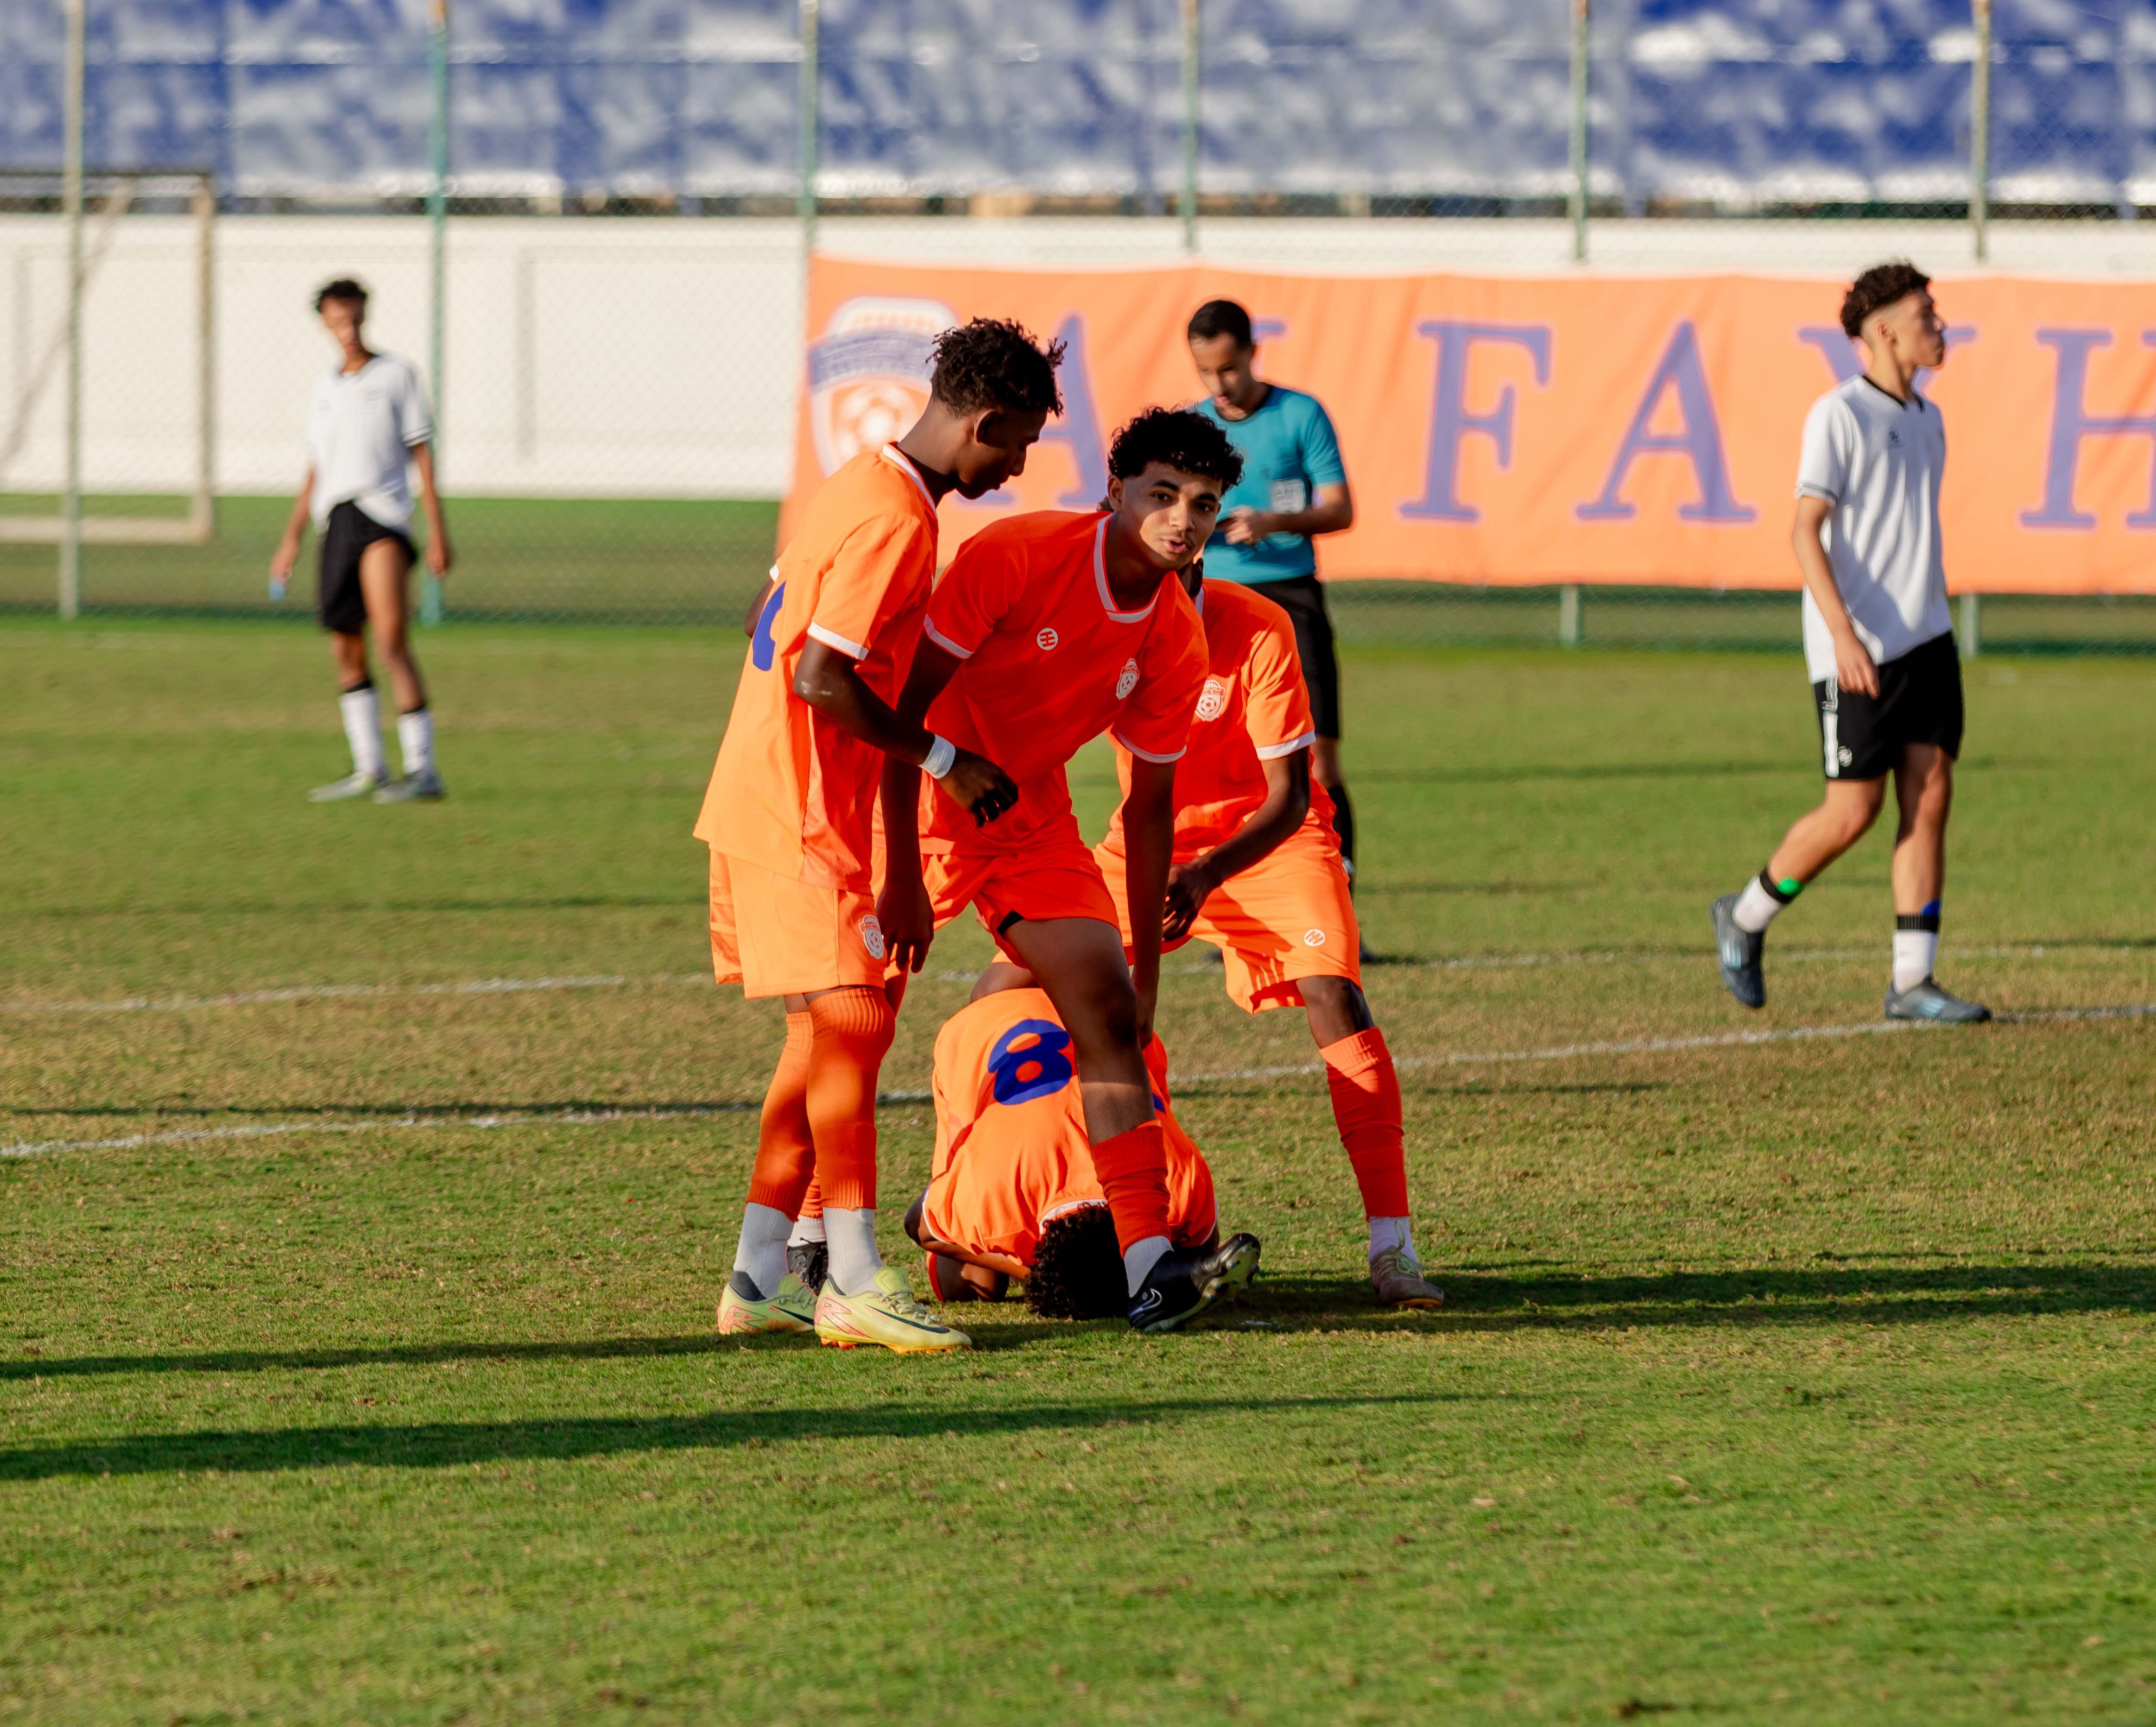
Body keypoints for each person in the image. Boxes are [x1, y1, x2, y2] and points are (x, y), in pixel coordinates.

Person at [701, 317, 1061, 1355]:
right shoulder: (899, 520)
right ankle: (854, 1279)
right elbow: (821, 677)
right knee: (855, 1021)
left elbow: (767, 618)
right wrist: (948, 760)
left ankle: (758, 1278)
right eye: (1018, 443)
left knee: (822, 1037)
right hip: (800, 810)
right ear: (982, 422)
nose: (1016, 467)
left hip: (773, 796)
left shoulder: (857, 482)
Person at [878, 406, 1256, 1334]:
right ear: (1114, 491)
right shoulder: (1019, 555)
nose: (1181, 519)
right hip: (919, 793)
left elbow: (1149, 809)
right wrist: (899, 874)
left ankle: (1149, 1266)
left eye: (1203, 504)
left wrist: (1146, 977)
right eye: (1162, 494)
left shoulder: (1174, 636)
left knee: (1109, 1017)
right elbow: (899, 711)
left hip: (1027, 816)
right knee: (850, 1023)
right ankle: (807, 1246)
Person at [1089, 560, 1442, 1309]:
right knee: (1028, 987)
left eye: (1199, 515)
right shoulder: (1101, 618)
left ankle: (1392, 1245)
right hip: (1145, 841)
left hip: (1265, 841)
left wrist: (1204, 874)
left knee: (1334, 993)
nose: (1178, 532)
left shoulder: (1257, 625)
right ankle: (1093, 1225)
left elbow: (1288, 797)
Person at [1712, 261, 1989, 1024]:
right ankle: (1744, 916)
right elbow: (1803, 531)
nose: (1939, 325)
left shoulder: (1928, 419)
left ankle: (1911, 982)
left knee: (1929, 796)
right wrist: (1841, 636)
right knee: (1851, 812)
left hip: (1926, 638)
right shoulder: (1838, 414)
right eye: (1925, 314)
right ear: (1885, 333)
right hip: (1858, 647)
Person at [902, 978, 1252, 1322]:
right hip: (999, 1027)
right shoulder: (995, 1191)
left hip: (1101, 1019)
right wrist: (1039, 1273)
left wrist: (1040, 1272)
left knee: (977, 1282)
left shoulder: (1179, 1192)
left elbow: (1202, 1253)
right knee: (964, 1286)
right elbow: (918, 1223)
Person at [1185, 299, 1363, 917]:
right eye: (1205, 372)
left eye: (1229, 368)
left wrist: (1272, 522)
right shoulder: (1193, 427)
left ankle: (1339, 913)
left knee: (1319, 762)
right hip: (1213, 606)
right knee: (1221, 763)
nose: (1219, 384)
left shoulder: (1300, 414)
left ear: (1252, 353)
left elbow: (1340, 508)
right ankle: (1233, 916)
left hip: (1291, 597)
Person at [270, 278, 454, 803]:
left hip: (383, 518)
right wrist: (290, 540)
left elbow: (422, 455)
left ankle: (423, 770)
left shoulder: (398, 374)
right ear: (325, 323)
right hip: (336, 520)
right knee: (346, 645)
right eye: (337, 321)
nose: (347, 329)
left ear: (365, 316)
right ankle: (370, 768)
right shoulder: (325, 387)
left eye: (353, 318)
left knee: (391, 639)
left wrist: (437, 531)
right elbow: (317, 467)